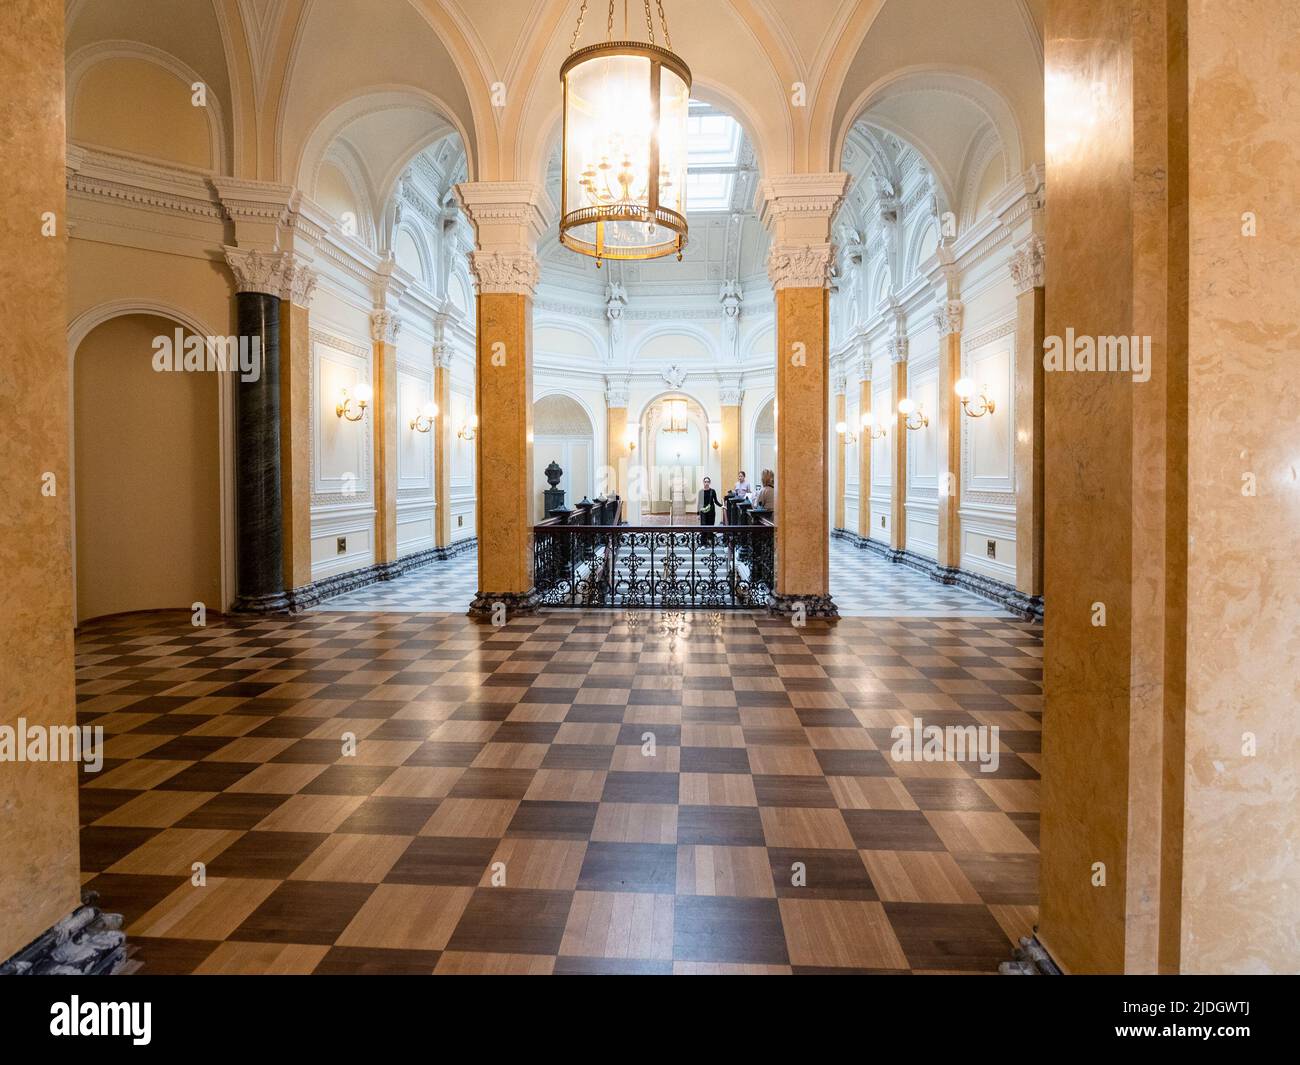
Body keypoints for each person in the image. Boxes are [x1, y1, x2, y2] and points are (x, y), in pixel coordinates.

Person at [697, 476, 722, 544]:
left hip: (711, 512)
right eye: (705, 482)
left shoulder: (712, 491)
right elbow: (699, 503)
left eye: (708, 482)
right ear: (703, 483)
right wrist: (698, 514)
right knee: (703, 527)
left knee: (710, 526)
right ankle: (703, 543)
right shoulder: (701, 492)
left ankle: (710, 541)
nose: (706, 483)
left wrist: (722, 506)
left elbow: (716, 501)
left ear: (709, 482)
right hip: (703, 512)